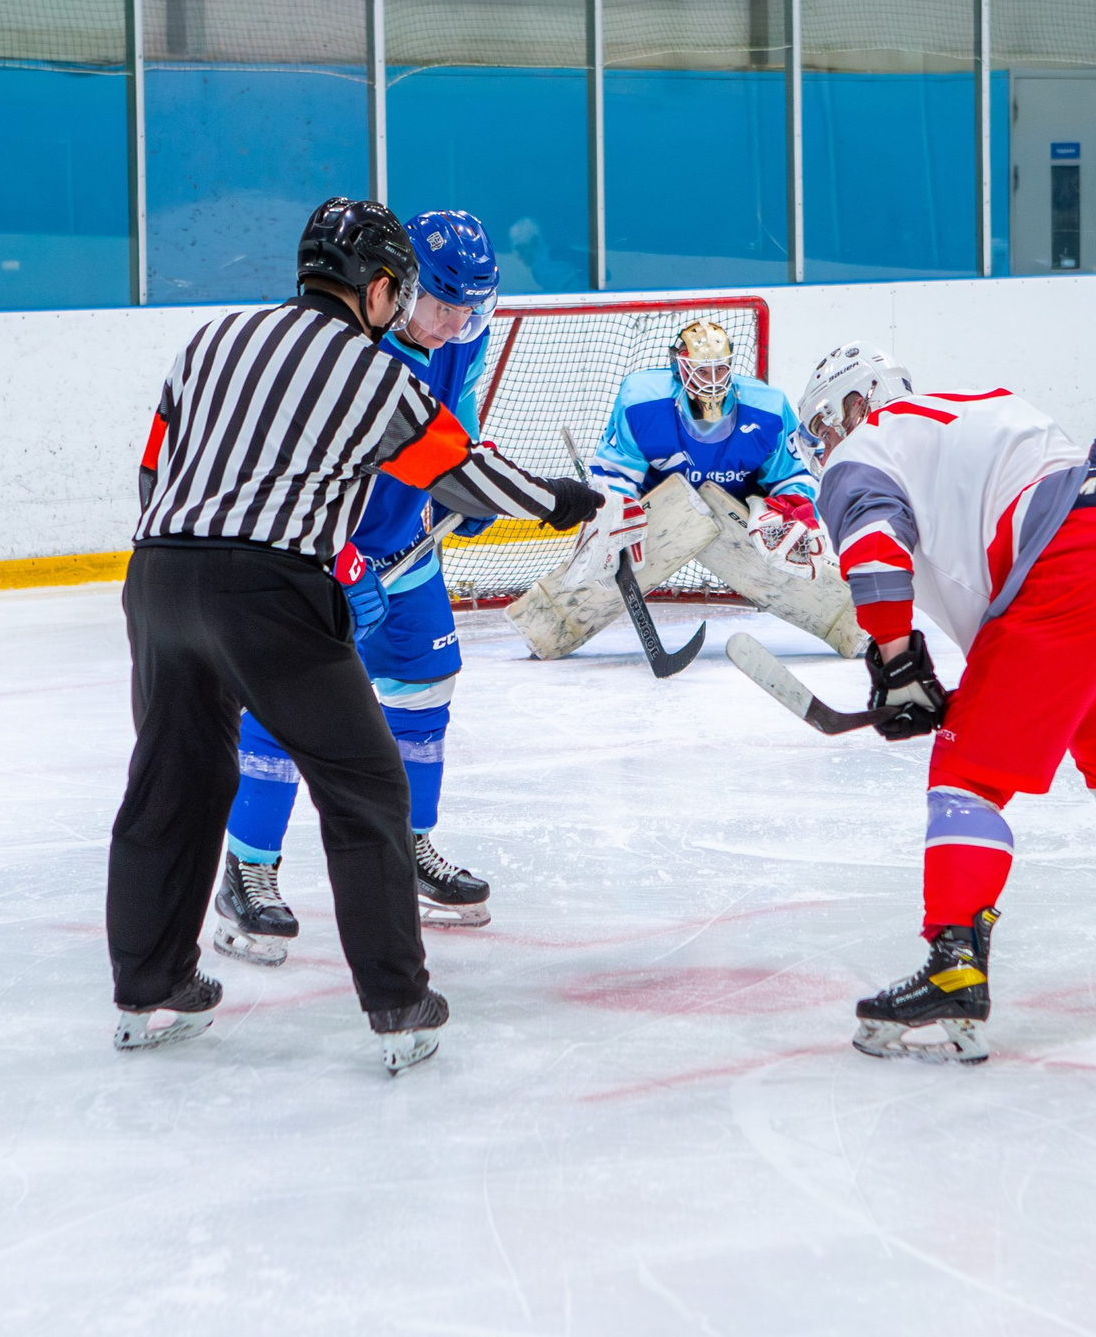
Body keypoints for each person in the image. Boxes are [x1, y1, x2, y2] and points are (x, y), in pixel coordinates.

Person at [107, 197, 601, 1075]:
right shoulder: (371, 373)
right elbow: (459, 470)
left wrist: (185, 557)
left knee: (172, 782)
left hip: (157, 578)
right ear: (376, 289)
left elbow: (154, 466)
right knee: (367, 784)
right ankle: (399, 1004)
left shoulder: (209, 341)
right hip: (267, 589)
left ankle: (150, 989)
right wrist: (560, 502)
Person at [791, 343, 1096, 1063]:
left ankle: (955, 964)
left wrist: (895, 665)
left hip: (1081, 561)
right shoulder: (967, 412)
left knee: (967, 777)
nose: (824, 450)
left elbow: (874, 555)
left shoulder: (866, 449)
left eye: (824, 429)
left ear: (853, 407)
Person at [212, 209, 509, 967]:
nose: (456, 322)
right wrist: (341, 562)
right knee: (286, 702)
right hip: (321, 553)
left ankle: (409, 845)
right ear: (400, 290)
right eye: (444, 304)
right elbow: (295, 476)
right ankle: (248, 866)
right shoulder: (348, 352)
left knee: (425, 688)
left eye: (471, 307)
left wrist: (465, 489)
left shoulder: (459, 338)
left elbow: (455, 429)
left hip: (405, 560)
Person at [506, 318, 861, 661]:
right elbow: (617, 471)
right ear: (679, 367)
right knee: (607, 550)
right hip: (654, 513)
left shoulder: (767, 407)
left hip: (737, 508)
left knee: (782, 544)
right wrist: (613, 508)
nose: (712, 380)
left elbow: (792, 475)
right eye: (702, 370)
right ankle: (549, 623)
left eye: (720, 370)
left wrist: (795, 508)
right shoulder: (642, 401)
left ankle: (852, 621)